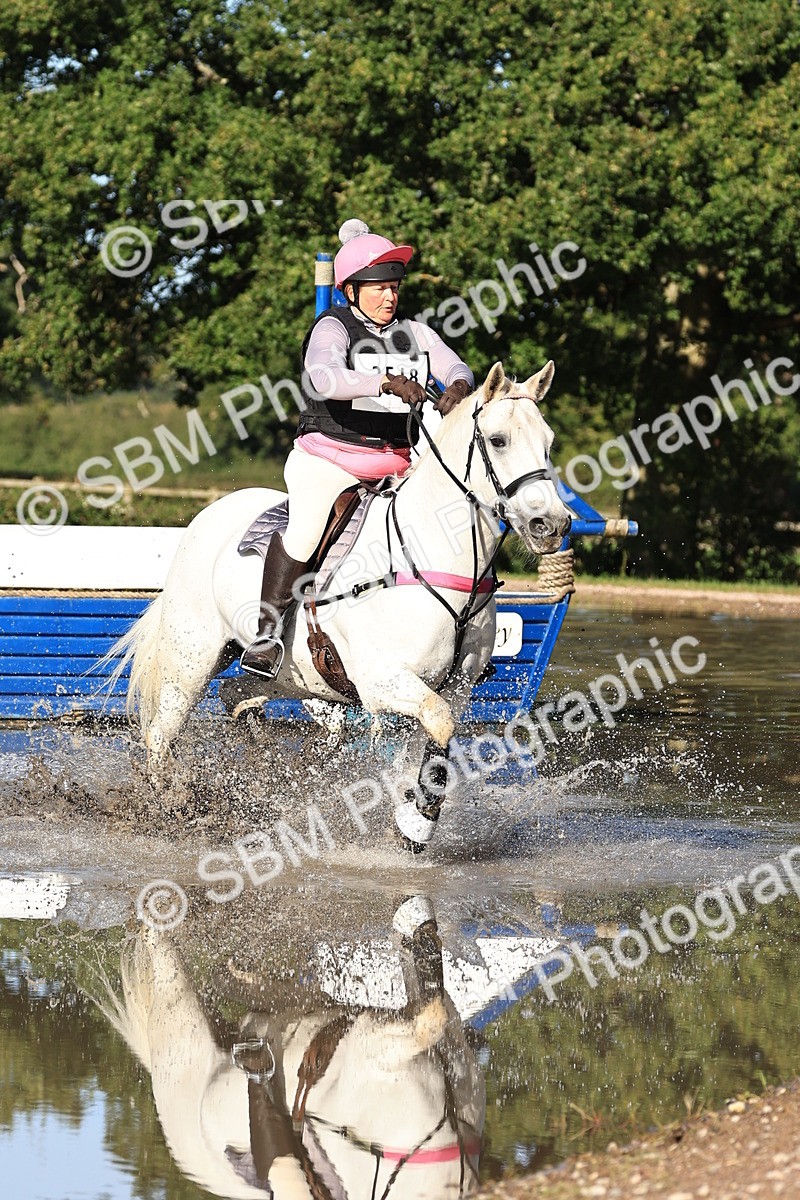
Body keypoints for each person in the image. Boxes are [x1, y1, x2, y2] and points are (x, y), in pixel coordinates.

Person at [240, 219, 475, 678]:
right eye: (380, 288)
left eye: (394, 288)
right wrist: (384, 381)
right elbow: (323, 378)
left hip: (398, 465)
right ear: (350, 290)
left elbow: (455, 363)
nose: (390, 297)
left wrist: (459, 387)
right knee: (307, 527)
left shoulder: (414, 333)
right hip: (329, 459)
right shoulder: (332, 327)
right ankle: (265, 634)